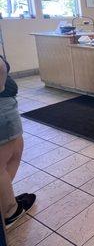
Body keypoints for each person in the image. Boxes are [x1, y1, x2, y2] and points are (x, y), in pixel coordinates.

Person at [0, 56, 36, 228]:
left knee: (15, 154)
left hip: (6, 112)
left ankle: (5, 200)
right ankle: (10, 210)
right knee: (1, 166)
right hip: (2, 115)